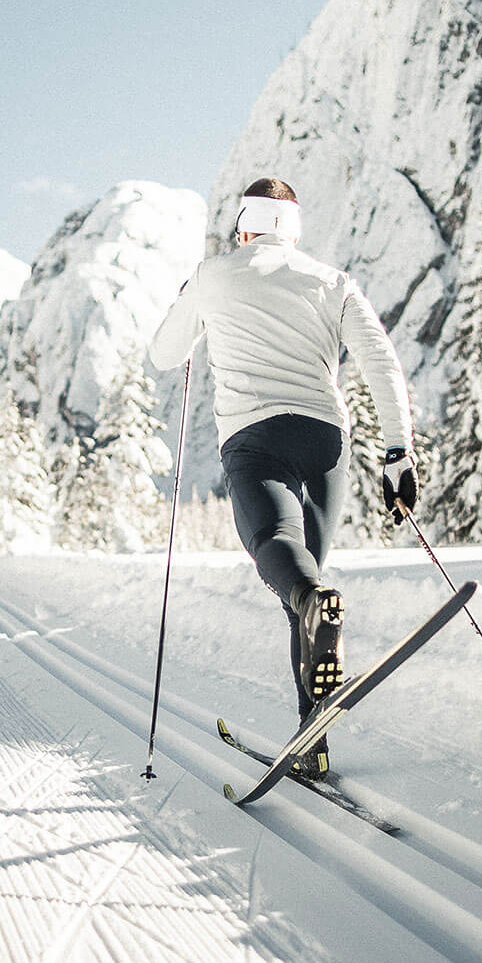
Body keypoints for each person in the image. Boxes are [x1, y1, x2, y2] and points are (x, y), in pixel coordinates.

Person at [147, 177, 418, 778]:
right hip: (325, 440)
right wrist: (398, 453)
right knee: (308, 584)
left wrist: (190, 298)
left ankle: (312, 670)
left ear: (244, 224)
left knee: (281, 556)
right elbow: (380, 361)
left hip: (255, 438)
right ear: (294, 229)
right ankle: (312, 738)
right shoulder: (331, 281)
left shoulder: (214, 273)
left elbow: (164, 353)